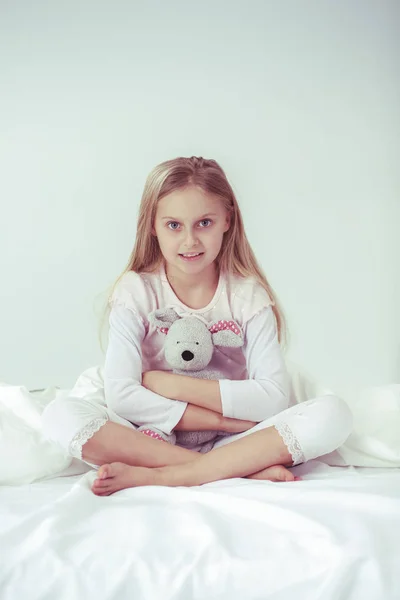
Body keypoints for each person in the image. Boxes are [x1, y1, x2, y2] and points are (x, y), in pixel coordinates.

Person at [42, 156, 353, 496]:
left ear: (227, 220)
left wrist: (165, 384)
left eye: (204, 222)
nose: (189, 241)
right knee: (60, 415)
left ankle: (170, 475)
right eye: (174, 225)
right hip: (151, 435)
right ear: (152, 226)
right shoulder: (136, 290)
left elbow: (273, 399)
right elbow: (123, 399)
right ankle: (230, 469)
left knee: (334, 414)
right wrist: (220, 419)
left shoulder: (248, 295)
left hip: (235, 439)